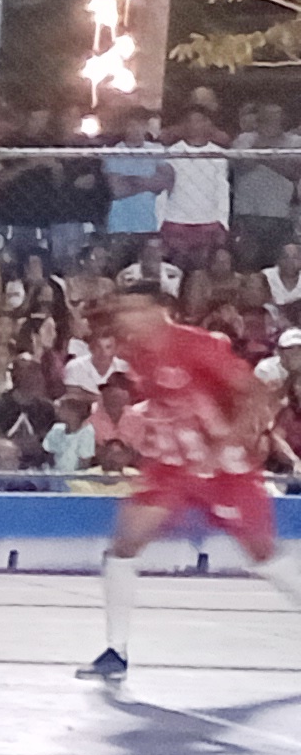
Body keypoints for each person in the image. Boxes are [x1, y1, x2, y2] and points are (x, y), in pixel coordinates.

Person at [83, 291, 301, 679]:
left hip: (224, 470)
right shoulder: (136, 353)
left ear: (156, 310)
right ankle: (115, 652)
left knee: (263, 555)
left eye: (133, 309)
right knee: (124, 545)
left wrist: (226, 443)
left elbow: (253, 393)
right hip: (171, 467)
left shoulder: (199, 345)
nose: (125, 318)